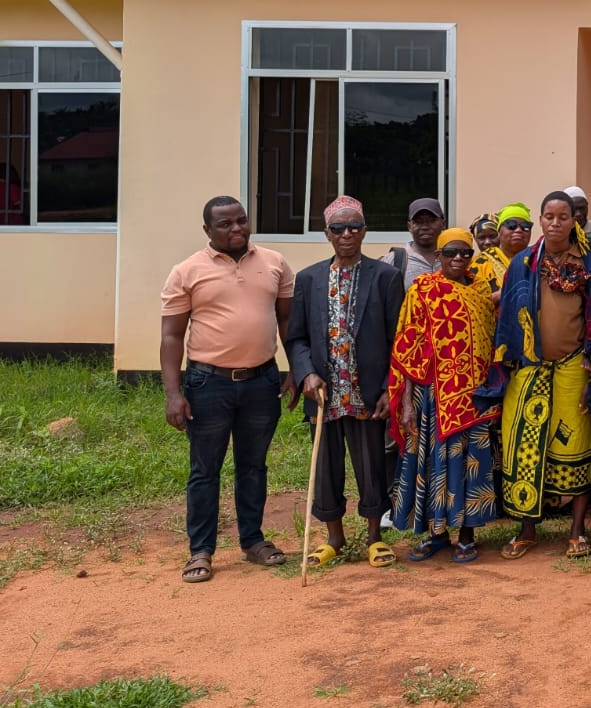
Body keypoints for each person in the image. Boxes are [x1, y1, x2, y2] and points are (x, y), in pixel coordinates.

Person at [159, 195, 296, 584]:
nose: (236, 229)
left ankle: (253, 541)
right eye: (225, 224)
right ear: (208, 230)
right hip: (207, 384)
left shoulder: (274, 263)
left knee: (253, 466)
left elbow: (287, 323)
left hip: (262, 382)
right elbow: (171, 336)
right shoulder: (186, 271)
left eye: (241, 221)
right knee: (205, 470)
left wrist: (295, 371)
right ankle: (200, 551)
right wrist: (173, 393)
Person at [285, 196, 405, 568]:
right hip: (325, 393)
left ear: (365, 231)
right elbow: (297, 337)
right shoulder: (308, 279)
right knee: (326, 466)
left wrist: (389, 387)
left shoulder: (385, 278)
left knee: (371, 464)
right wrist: (306, 372)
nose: (347, 234)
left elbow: (396, 337)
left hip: (366, 392)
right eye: (339, 228)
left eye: (355, 227)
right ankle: (334, 538)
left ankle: (374, 537)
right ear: (327, 234)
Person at [496, 192, 591, 560]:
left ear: (573, 221)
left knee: (575, 446)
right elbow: (508, 320)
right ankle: (527, 529)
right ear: (541, 221)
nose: (556, 222)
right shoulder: (523, 264)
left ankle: (576, 530)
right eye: (549, 216)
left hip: (574, 368)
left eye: (564, 216)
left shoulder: (590, 266)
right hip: (529, 369)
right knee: (525, 448)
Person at [389, 228, 501, 562]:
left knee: (470, 466)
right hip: (434, 395)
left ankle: (467, 535)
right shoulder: (423, 290)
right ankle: (437, 533)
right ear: (438, 256)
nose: (457, 259)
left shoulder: (481, 291)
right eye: (450, 252)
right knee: (435, 463)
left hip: (475, 396)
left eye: (465, 253)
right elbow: (407, 345)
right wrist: (406, 402)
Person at [471, 202, 532, 298]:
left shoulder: (538, 259)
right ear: (499, 232)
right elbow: (473, 303)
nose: (518, 230)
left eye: (525, 226)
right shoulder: (480, 263)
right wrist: (500, 296)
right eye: (511, 225)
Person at [385, 197, 444, 290]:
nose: (425, 227)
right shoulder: (394, 261)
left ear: (443, 223)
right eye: (418, 221)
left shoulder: (454, 258)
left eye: (432, 220)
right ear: (409, 226)